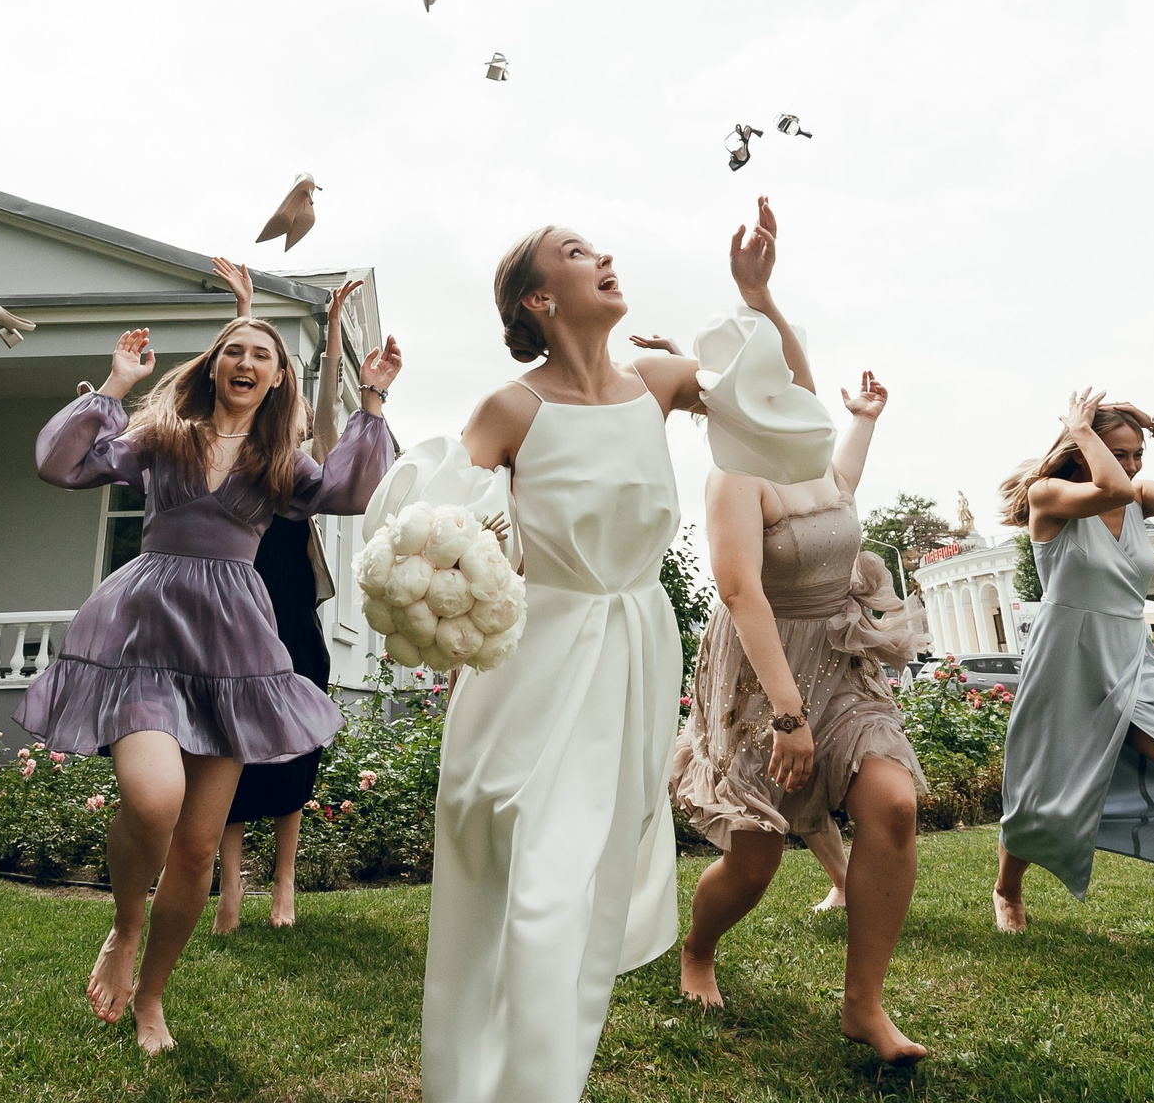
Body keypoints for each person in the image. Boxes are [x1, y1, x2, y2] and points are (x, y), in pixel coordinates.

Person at [410, 199, 834, 1103]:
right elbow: (440, 539)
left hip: (631, 655)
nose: (603, 257)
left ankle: (540, 1077)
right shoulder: (509, 408)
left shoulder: (659, 380)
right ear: (538, 300)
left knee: (580, 877)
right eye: (576, 252)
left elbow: (793, 419)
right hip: (531, 662)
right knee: (528, 876)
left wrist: (760, 298)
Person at [15, 303, 402, 1053]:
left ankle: (152, 996)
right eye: (234, 350)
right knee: (154, 799)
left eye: (262, 354)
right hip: (145, 630)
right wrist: (115, 384)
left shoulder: (280, 461)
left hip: (230, 649)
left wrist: (373, 399)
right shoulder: (165, 435)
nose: (246, 362)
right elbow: (61, 463)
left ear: (278, 378)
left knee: (197, 849)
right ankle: (125, 927)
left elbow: (354, 492)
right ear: (215, 365)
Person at [670, 370, 927, 1062]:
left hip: (838, 662)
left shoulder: (815, 465)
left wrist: (864, 420)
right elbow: (739, 591)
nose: (784, 391)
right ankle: (698, 950)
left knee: (893, 804)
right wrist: (789, 717)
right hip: (762, 673)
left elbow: (842, 483)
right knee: (753, 865)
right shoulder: (733, 477)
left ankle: (863, 1005)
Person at [992, 391, 1154, 968]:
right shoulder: (1048, 495)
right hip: (1068, 662)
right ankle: (1007, 888)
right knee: (1040, 795)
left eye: (1138, 455)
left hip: (1135, 662)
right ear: (1080, 450)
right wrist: (1081, 428)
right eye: (1120, 453)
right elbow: (1107, 489)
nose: (1132, 467)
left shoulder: (1136, 498)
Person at [210, 261, 363, 934]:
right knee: (230, 749)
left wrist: (333, 332)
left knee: (294, 752)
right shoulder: (235, 458)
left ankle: (284, 884)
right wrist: (242, 308)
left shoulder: (304, 469)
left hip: (294, 625)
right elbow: (228, 382)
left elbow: (325, 413)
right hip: (234, 622)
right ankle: (229, 891)